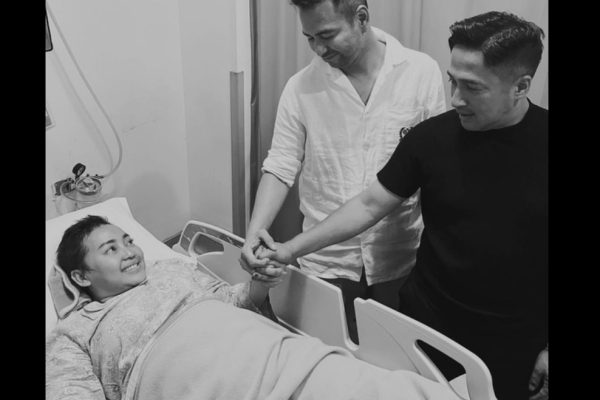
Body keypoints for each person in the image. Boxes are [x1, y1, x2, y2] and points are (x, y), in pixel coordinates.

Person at [255, 11, 548, 400]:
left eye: (472, 87)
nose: (455, 99)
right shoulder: (430, 138)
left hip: (515, 337)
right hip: (425, 323)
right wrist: (289, 249)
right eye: (452, 81)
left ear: (521, 86)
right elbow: (368, 205)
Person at [46, 215, 459, 400]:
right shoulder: (76, 331)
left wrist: (259, 283)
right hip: (184, 377)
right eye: (110, 249)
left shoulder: (171, 269)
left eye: (129, 240)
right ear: (81, 276)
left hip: (268, 355)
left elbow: (234, 303)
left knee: (373, 389)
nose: (130, 251)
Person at [240, 0, 446, 343]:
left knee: (391, 359)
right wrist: (253, 234)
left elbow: (435, 167)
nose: (319, 49)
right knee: (327, 355)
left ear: (361, 18)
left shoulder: (420, 72)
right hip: (326, 259)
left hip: (400, 255)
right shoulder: (301, 87)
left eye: (327, 35)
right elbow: (280, 166)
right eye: (309, 38)